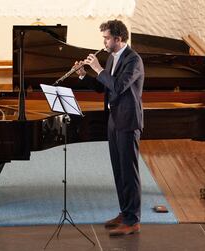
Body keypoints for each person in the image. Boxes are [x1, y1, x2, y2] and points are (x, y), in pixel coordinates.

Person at [75, 19, 144, 236]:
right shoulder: (113, 57)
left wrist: (97, 67)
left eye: (106, 38)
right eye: (103, 38)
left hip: (128, 120)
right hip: (114, 119)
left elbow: (119, 86)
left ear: (119, 38)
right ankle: (125, 212)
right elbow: (102, 88)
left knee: (129, 171)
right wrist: (84, 74)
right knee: (118, 169)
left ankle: (133, 220)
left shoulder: (134, 60)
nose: (103, 42)